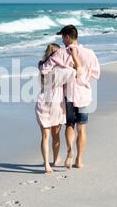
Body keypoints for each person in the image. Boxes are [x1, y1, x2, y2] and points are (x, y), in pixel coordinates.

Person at [40, 25, 100, 169]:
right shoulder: (90, 53)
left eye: (62, 37)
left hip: (69, 95)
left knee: (70, 125)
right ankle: (79, 160)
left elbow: (44, 69)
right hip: (84, 94)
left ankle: (70, 151)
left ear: (67, 37)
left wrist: (42, 64)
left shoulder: (61, 53)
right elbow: (96, 74)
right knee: (82, 128)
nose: (62, 40)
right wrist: (84, 79)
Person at [35, 43, 76, 174]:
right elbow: (74, 72)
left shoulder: (41, 65)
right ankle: (55, 159)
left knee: (45, 136)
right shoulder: (61, 71)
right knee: (55, 136)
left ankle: (47, 164)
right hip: (57, 104)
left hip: (43, 102)